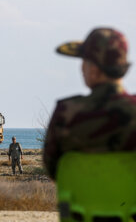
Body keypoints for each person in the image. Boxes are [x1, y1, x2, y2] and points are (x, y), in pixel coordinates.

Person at [43, 27, 136, 180]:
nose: (81, 68)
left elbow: (54, 170)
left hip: (79, 204)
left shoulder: (66, 113)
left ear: (94, 70)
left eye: (84, 62)